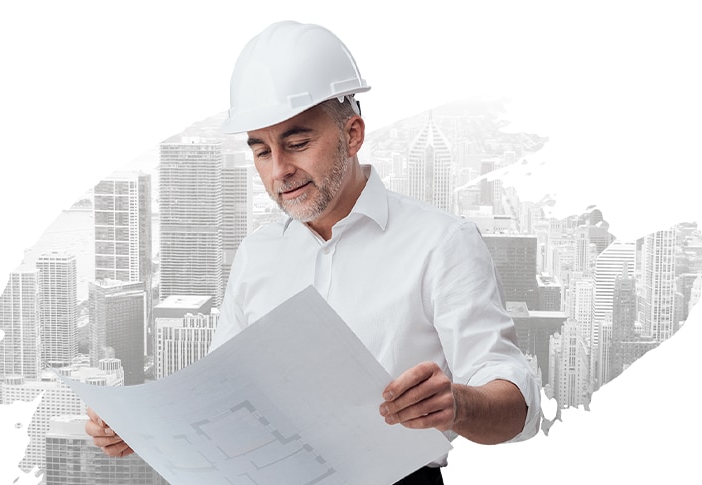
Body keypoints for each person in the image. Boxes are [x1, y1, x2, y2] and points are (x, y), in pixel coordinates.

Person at [87, 20, 541, 484]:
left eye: (297, 143)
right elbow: (221, 398)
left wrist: (459, 405)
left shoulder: (441, 243)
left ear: (353, 134)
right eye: (261, 151)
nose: (279, 171)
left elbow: (518, 410)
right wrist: (145, 429)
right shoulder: (257, 255)